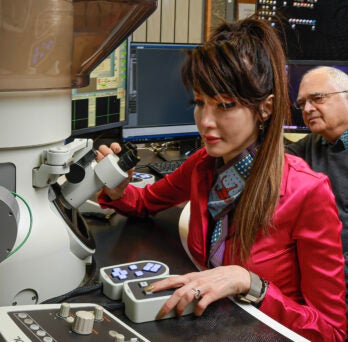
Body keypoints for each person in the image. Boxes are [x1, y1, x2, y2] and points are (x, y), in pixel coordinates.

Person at [97, 16, 346, 341]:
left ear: (265, 108)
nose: (205, 122)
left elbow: (332, 330)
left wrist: (251, 283)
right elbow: (144, 202)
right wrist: (118, 190)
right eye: (200, 103)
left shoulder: (307, 192)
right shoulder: (203, 165)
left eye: (225, 105)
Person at [286, 65, 348, 335]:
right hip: (322, 286)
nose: (307, 108)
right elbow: (266, 159)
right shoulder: (314, 144)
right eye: (302, 103)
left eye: (318, 98)